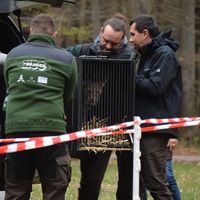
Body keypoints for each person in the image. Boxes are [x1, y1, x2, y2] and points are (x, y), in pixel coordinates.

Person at [3, 14, 77, 200]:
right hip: (51, 132)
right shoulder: (67, 59)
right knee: (54, 189)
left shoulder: (13, 55)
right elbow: (67, 95)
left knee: (16, 189)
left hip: (16, 130)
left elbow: (10, 87)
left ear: (29, 31)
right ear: (55, 34)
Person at [67, 14, 135, 200]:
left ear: (123, 40)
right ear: (100, 33)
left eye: (115, 44)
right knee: (80, 180)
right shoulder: (83, 50)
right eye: (106, 41)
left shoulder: (130, 57)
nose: (108, 46)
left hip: (115, 126)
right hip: (86, 125)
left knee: (109, 182)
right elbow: (60, 58)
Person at [129, 14, 182, 200]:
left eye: (132, 34)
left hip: (156, 130)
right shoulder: (146, 54)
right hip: (142, 128)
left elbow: (156, 87)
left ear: (145, 33)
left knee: (156, 182)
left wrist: (129, 77)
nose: (130, 39)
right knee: (140, 181)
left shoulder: (164, 54)